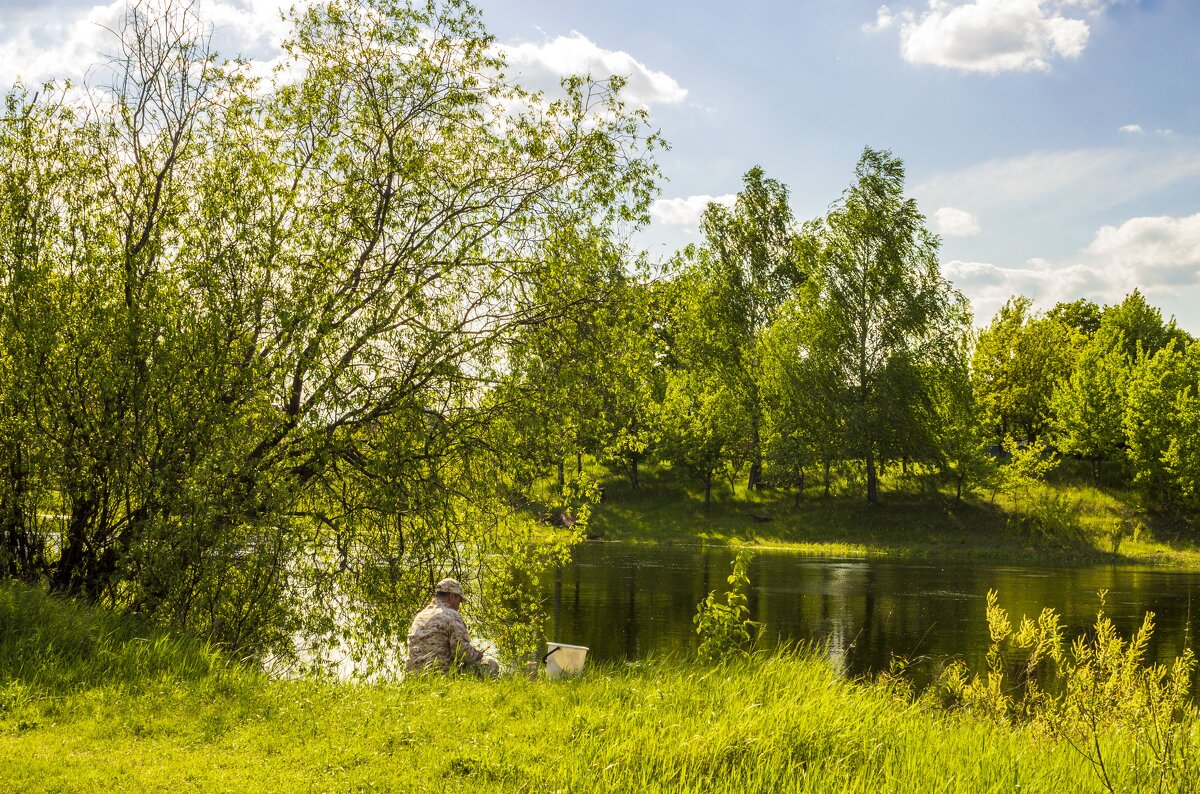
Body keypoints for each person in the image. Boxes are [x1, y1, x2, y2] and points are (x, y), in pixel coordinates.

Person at [405, 577, 499, 676]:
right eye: (459, 599)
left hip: (414, 674)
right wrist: (477, 655)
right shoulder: (452, 616)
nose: (459, 605)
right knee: (491, 664)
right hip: (439, 675)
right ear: (451, 596)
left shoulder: (421, 615)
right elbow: (462, 654)